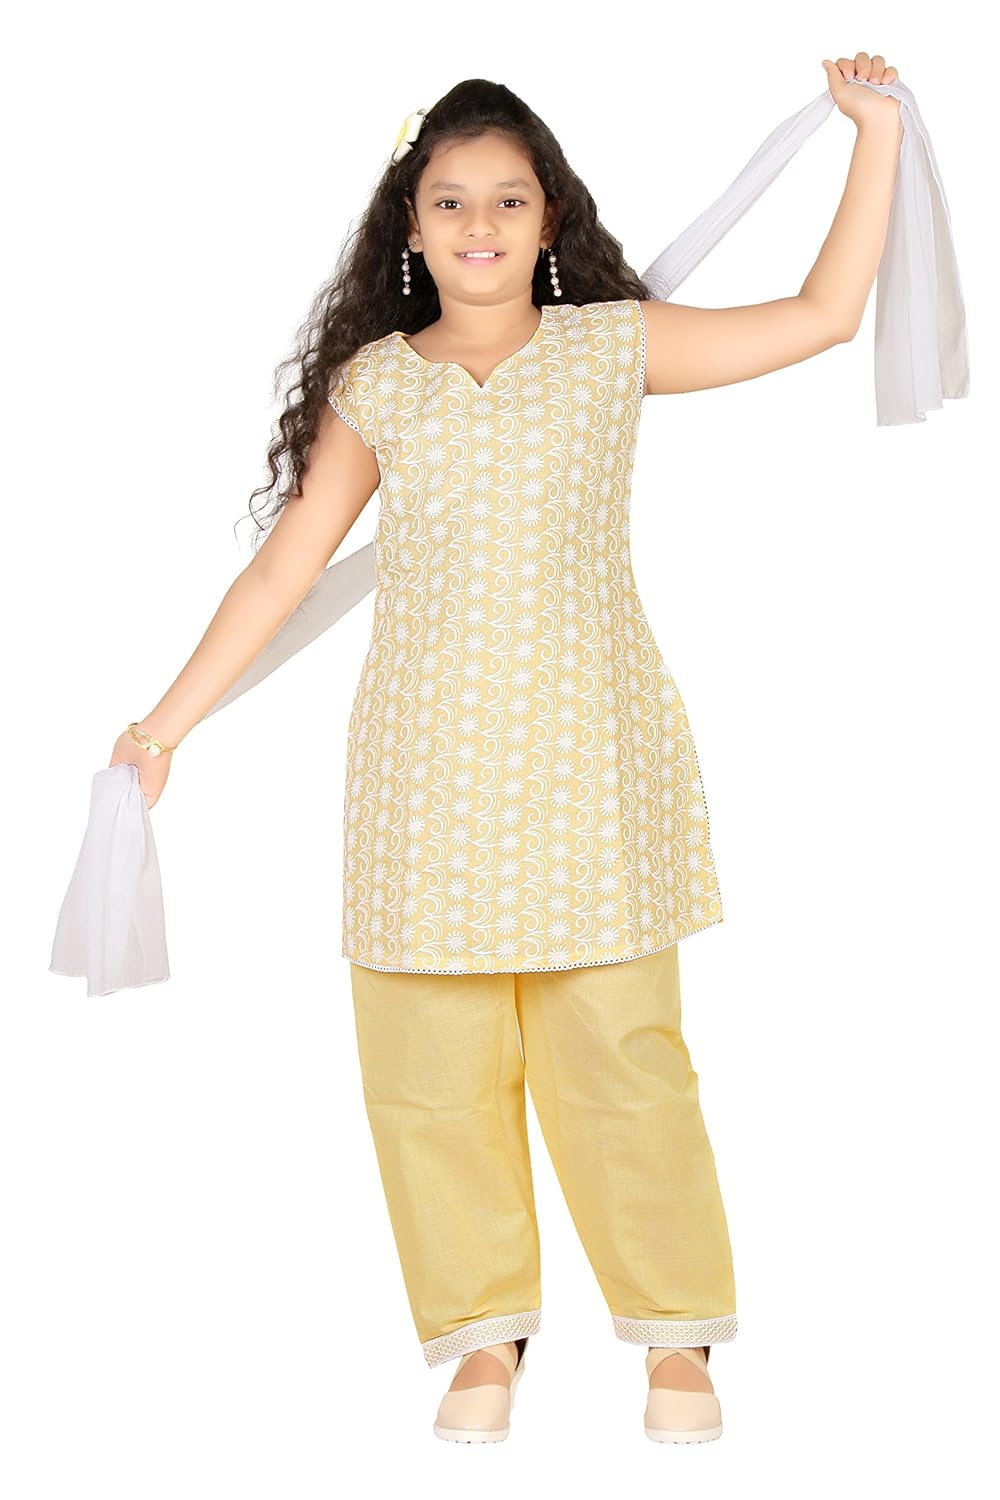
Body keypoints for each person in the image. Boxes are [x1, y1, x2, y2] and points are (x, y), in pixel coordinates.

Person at [109, 59, 905, 1443]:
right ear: (409, 228)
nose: (479, 223)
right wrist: (162, 725)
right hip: (423, 771)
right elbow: (282, 573)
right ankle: (484, 1337)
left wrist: (874, 136)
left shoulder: (610, 349)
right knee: (430, 1069)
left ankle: (674, 1338)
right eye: (450, 200)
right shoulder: (377, 386)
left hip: (593, 755)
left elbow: (823, 317)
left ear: (550, 220)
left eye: (509, 199)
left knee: (624, 1055)